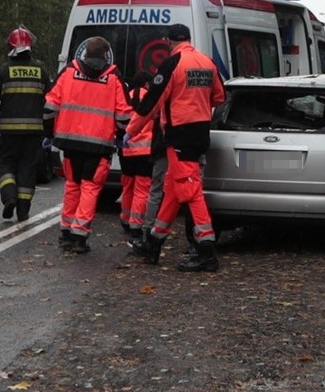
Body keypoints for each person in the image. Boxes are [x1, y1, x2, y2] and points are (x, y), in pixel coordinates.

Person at [128, 23, 225, 272]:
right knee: (173, 189)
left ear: (169, 42)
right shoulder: (207, 62)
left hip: (179, 135)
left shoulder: (172, 63)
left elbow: (151, 102)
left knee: (190, 191)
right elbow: (219, 96)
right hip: (200, 133)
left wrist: (131, 131)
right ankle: (154, 240)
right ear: (189, 39)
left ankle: (206, 251)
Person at [43, 36, 131, 254]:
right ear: (104, 55)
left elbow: (49, 106)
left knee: (72, 185)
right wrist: (120, 136)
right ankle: (80, 235)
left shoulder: (69, 72)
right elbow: (123, 115)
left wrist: (49, 133)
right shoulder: (113, 77)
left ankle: (66, 232)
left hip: (70, 142)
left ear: (85, 53)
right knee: (90, 188)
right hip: (99, 145)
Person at [0, 26, 51, 222]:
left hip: (10, 132)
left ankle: (9, 197)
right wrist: (49, 129)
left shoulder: (4, 70)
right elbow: (51, 102)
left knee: (5, 164)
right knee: (27, 169)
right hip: (34, 132)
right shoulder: (41, 70)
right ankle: (23, 211)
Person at [119, 71, 155, 244]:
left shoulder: (127, 96)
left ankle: (125, 219)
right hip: (145, 151)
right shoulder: (151, 97)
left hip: (127, 150)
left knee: (127, 186)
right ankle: (136, 225)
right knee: (142, 190)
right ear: (147, 84)